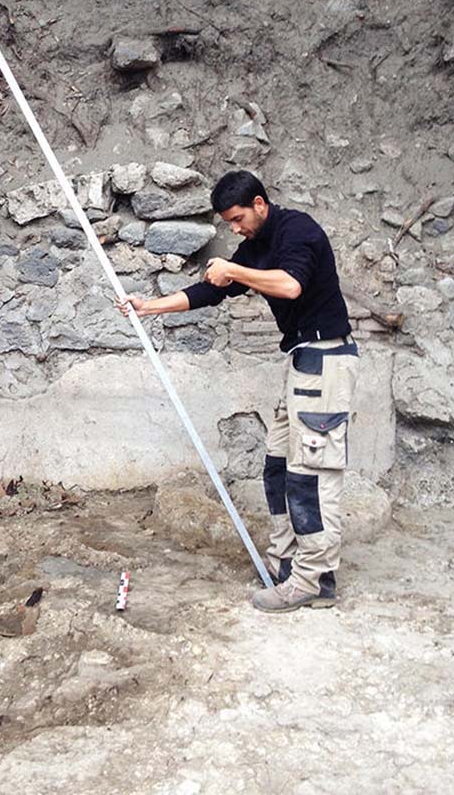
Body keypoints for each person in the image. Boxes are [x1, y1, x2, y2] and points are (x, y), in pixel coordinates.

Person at [117, 170, 359, 613]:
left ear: (260, 204)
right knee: (279, 468)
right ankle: (286, 564)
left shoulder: (298, 231)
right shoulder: (256, 249)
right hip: (303, 362)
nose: (234, 229)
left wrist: (234, 269)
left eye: (237, 218)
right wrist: (149, 307)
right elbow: (210, 291)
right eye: (229, 222)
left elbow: (291, 284)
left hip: (327, 360)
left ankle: (314, 581)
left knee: (312, 475)